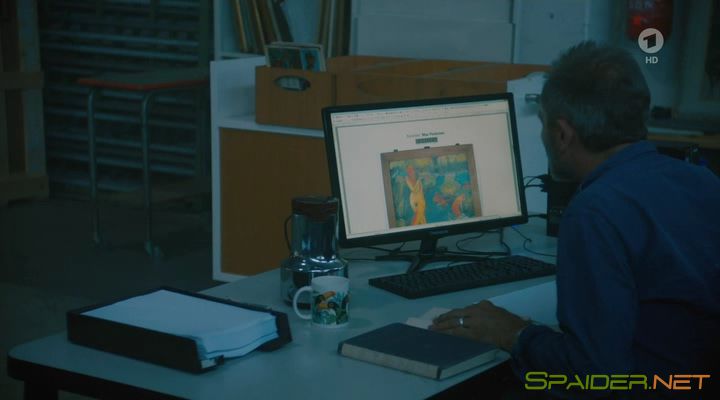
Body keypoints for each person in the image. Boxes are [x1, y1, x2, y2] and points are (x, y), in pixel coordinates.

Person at [430, 41, 720, 397]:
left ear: (563, 134)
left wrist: (514, 333)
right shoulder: (701, 179)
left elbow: (594, 373)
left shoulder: (595, 211)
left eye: (542, 123)